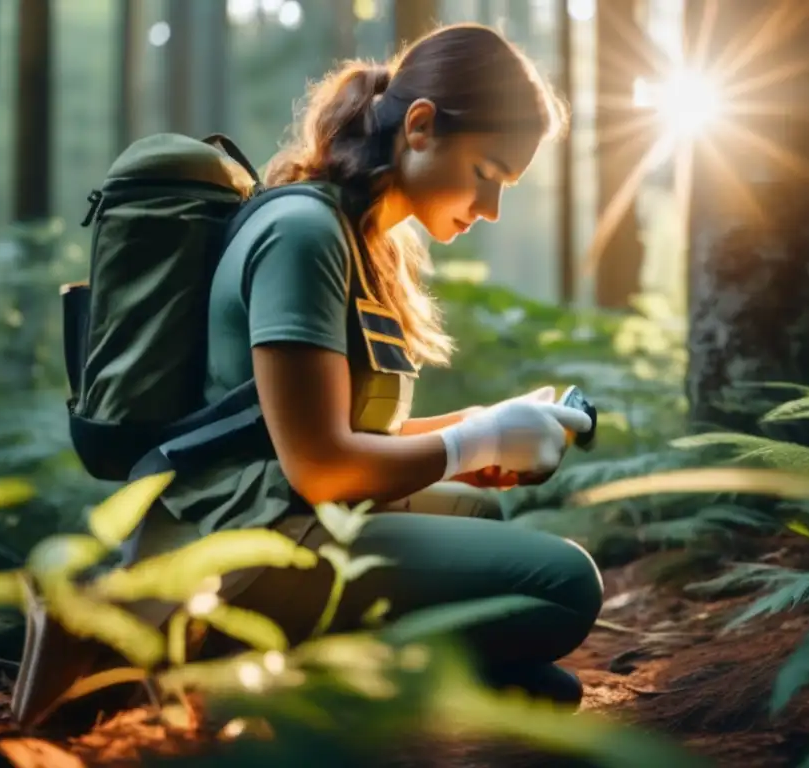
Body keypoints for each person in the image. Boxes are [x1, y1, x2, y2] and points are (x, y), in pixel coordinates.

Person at [35, 24, 604, 720]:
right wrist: (478, 443)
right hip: (245, 535)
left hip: (292, 515)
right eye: (488, 173)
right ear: (420, 127)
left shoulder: (366, 241)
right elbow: (319, 465)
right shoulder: (304, 234)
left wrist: (490, 425)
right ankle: (187, 659)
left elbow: (351, 431)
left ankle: (320, 682)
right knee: (565, 585)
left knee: (483, 520)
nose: (490, 208)